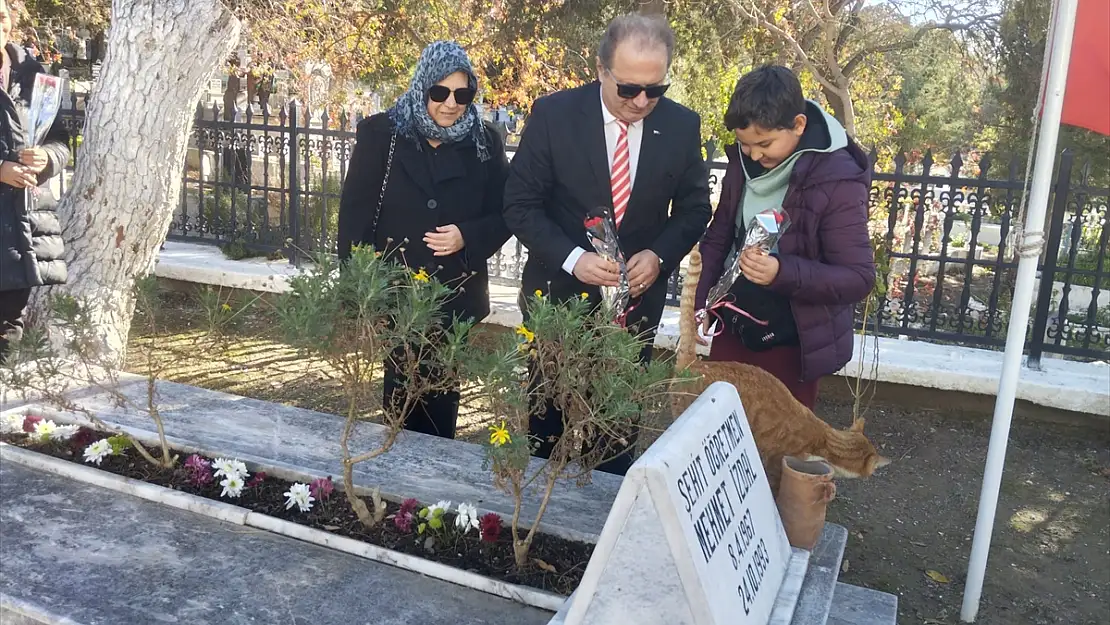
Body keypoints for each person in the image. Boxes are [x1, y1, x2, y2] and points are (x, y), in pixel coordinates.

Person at [503, 14, 711, 475]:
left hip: (635, 303)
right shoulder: (554, 115)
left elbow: (697, 210)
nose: (641, 101)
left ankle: (605, 529)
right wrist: (574, 259)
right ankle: (541, 515)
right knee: (546, 420)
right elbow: (519, 205)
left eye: (655, 90)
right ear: (601, 70)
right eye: (629, 88)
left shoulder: (681, 126)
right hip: (558, 295)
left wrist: (658, 255)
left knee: (616, 428)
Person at [337, 40, 511, 440]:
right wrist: (357, 293)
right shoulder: (382, 133)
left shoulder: (486, 141)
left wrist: (467, 235)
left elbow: (508, 212)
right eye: (440, 92)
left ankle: (431, 492)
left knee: (441, 401)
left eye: (462, 94)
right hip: (394, 291)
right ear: (423, 87)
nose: (451, 104)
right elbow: (355, 216)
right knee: (398, 397)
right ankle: (397, 483)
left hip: (454, 293)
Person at [694, 65, 875, 409]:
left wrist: (781, 272)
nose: (755, 156)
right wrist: (701, 299)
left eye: (764, 144)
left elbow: (858, 277)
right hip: (733, 324)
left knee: (778, 449)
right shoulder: (744, 160)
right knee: (720, 429)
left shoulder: (837, 178)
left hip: (793, 338)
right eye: (744, 144)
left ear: (799, 125)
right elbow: (720, 235)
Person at [0, 0, 71, 361]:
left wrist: (47, 158)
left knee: (8, 334)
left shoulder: (33, 75)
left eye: (0, 18)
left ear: (11, 21)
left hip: (20, 229)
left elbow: (60, 142)